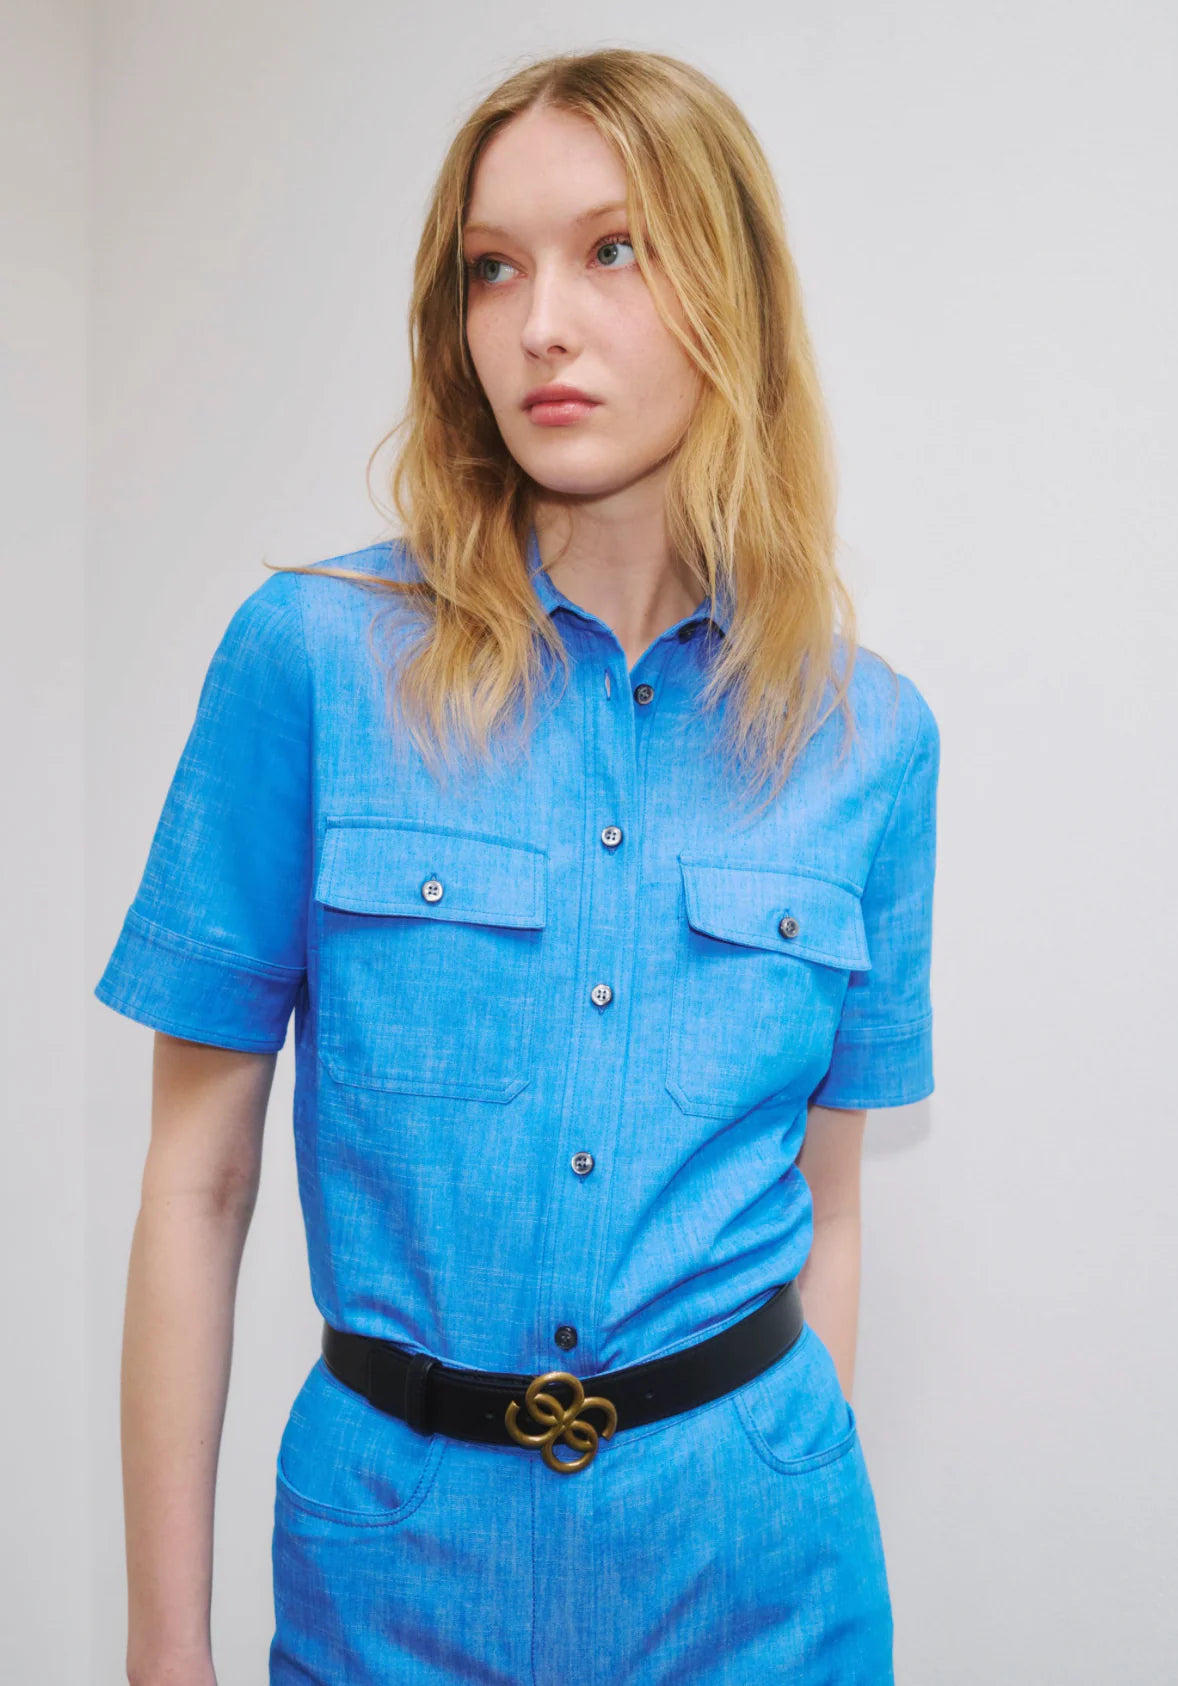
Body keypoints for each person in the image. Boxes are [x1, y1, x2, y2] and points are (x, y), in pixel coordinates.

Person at [95, 46, 940, 1686]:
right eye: (494, 268)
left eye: (611, 249)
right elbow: (195, 1186)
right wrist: (162, 1650)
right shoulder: (309, 662)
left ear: (734, 293)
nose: (540, 321)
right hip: (394, 1580)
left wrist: (780, 1486)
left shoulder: (868, 739)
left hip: (759, 1583)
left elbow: (827, 1201)